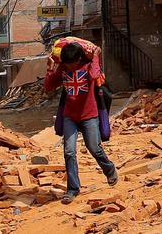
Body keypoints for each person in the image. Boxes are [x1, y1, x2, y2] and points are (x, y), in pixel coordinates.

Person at [44, 41, 118, 202]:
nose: (69, 67)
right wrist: (50, 68)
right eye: (66, 64)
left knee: (94, 148)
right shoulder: (63, 69)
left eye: (71, 64)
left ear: (79, 59)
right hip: (70, 116)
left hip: (89, 116)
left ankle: (109, 169)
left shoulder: (89, 67)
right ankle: (72, 189)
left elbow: (94, 75)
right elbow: (49, 87)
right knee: (69, 152)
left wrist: (96, 56)